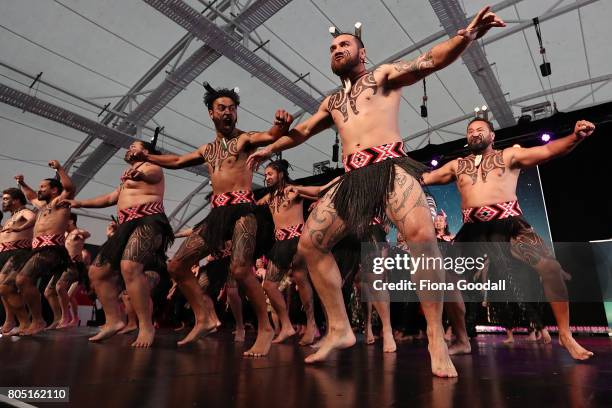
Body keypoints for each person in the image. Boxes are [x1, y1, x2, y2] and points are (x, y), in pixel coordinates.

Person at [246, 7, 505, 376]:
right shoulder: (332, 102)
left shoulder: (382, 76)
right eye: (333, 46)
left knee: (421, 239)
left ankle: (435, 335)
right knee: (309, 245)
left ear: (361, 53)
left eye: (345, 44)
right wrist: (272, 144)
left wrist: (466, 35)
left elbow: (428, 62)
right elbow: (302, 132)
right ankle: (338, 328)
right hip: (352, 178)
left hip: (391, 167)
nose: (337, 49)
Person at [131, 84, 294, 356]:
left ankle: (266, 328)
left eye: (232, 108)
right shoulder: (207, 150)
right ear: (211, 113)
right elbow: (178, 159)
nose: (228, 112)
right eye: (222, 108)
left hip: (243, 210)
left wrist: (281, 126)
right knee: (177, 266)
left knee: (241, 270)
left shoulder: (244, 140)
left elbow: (269, 135)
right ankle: (204, 317)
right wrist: (148, 156)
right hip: (217, 214)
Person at [421, 117, 595, 360]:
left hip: (510, 224)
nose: (474, 133)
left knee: (550, 268)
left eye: (480, 130)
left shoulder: (508, 157)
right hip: (473, 229)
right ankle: (461, 338)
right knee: (446, 278)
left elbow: (547, 150)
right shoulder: (456, 166)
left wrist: (575, 136)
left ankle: (565, 335)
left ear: (493, 136)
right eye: (470, 131)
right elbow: (425, 178)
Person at [66, 140, 174, 347]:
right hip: (125, 225)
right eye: (129, 146)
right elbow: (110, 198)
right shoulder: (126, 178)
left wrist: (141, 174)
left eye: (134, 146)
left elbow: (153, 176)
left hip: (148, 220)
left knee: (130, 267)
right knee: (96, 273)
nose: (129, 148)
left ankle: (146, 326)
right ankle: (114, 320)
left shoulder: (152, 167)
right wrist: (79, 203)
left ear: (146, 151)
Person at [256, 159, 318, 345]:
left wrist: (318, 202)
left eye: (270, 174)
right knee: (278, 284)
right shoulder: (269, 198)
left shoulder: (292, 190)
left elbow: (318, 193)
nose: (266, 177)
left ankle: (306, 325)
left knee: (290, 282)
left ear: (281, 174)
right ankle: (292, 325)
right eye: (265, 175)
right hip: (281, 243)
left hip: (296, 240)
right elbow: (253, 207)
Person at [14, 161, 75, 335]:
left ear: (54, 190)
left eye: (43, 187)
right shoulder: (42, 207)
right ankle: (38, 320)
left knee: (23, 280)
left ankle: (38, 321)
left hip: (52, 250)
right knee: (22, 283)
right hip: (38, 250)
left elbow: (69, 188)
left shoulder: (61, 202)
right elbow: (31, 197)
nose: (39, 189)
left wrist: (59, 169)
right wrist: (22, 183)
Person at [0, 188, 36, 335]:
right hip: (4, 254)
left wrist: (20, 227)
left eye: (6, 198)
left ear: (16, 200)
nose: (3, 201)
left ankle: (25, 322)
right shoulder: (10, 218)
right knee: (2, 291)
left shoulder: (24, 212)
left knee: (6, 288)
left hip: (18, 254)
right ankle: (10, 320)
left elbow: (33, 217)